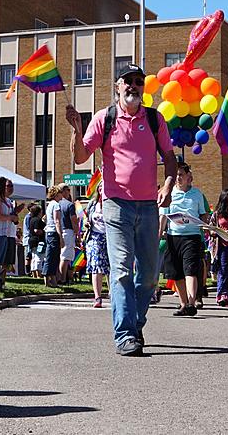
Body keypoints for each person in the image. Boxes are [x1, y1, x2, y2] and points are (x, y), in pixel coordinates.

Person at [66, 62, 177, 357]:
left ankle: (135, 322)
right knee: (121, 270)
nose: (133, 86)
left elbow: (169, 156)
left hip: (149, 207)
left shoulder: (154, 119)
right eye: (127, 81)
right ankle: (125, 334)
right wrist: (77, 130)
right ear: (117, 86)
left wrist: (167, 185)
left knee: (151, 275)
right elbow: (80, 157)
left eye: (138, 82)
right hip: (115, 206)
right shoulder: (105, 118)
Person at [161, 163, 210, 317]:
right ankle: (184, 304)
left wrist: (203, 223)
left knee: (190, 269)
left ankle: (191, 301)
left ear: (189, 177)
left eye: (181, 175)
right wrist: (159, 234)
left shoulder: (197, 194)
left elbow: (203, 214)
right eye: (176, 175)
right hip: (173, 235)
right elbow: (163, 215)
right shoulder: (169, 193)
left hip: (192, 236)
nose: (178, 178)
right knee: (176, 272)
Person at [85, 196, 109, 308]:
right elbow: (86, 217)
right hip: (94, 237)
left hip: (110, 237)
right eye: (100, 188)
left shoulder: (113, 203)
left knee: (112, 267)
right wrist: (86, 222)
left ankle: (113, 294)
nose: (101, 190)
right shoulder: (93, 204)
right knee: (96, 266)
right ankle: (97, 297)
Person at [42, 185, 63, 287]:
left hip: (48, 232)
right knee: (53, 257)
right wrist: (61, 236)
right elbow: (57, 221)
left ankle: (50, 279)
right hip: (53, 232)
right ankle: (50, 279)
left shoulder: (50, 204)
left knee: (50, 255)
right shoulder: (56, 205)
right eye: (60, 193)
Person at [57, 185, 78, 283]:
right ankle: (63, 279)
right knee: (66, 257)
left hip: (58, 231)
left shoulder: (56, 204)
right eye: (68, 190)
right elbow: (73, 220)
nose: (69, 192)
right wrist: (77, 232)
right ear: (64, 191)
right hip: (68, 231)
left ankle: (59, 277)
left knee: (60, 256)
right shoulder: (69, 205)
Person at [26, 204, 45, 279]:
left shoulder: (31, 219)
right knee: (39, 257)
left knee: (34, 257)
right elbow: (36, 230)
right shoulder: (37, 220)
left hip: (32, 240)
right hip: (37, 241)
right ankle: (38, 274)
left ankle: (34, 273)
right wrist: (44, 231)